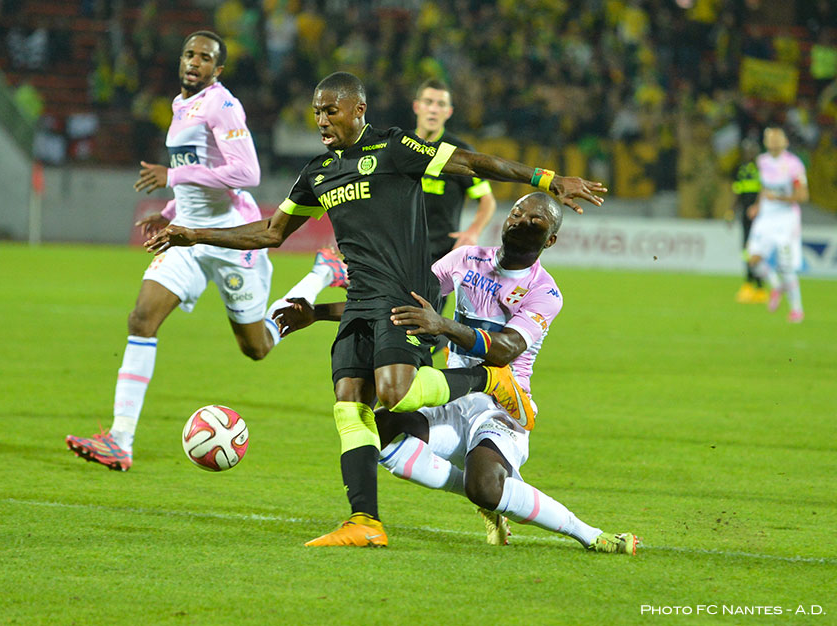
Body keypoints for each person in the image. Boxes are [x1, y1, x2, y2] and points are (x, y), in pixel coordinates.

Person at [143, 71, 606, 547]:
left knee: (395, 394)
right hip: (361, 299)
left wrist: (546, 179)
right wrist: (193, 234)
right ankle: (365, 521)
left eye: (331, 110)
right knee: (350, 403)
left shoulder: (394, 148)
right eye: (317, 112)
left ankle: (486, 378)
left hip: (401, 296)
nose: (322, 120)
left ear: (358, 110)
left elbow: (469, 162)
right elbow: (270, 232)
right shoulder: (318, 173)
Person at [65, 31, 347, 471]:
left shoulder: (222, 104)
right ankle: (120, 440)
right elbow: (197, 176)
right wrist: (169, 211)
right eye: (189, 54)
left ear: (218, 69)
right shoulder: (181, 106)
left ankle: (321, 273)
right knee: (142, 318)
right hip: (186, 237)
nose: (194, 62)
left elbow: (246, 173)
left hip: (231, 239)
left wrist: (172, 177)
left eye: (204, 57)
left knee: (256, 347)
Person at [375, 192, 638, 555]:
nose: (521, 221)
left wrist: (443, 325)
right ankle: (487, 496)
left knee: (484, 487)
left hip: (502, 407)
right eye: (516, 212)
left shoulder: (545, 292)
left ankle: (589, 534)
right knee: (378, 431)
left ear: (550, 240)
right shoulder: (465, 259)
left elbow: (505, 349)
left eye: (535, 221)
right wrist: (327, 307)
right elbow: (404, 300)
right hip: (454, 397)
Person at [412, 79, 497, 269]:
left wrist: (473, 232)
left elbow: (487, 200)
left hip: (438, 258)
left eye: (440, 104)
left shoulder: (458, 153)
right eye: (428, 102)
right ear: (416, 106)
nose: (433, 109)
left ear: (448, 112)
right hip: (399, 253)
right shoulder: (401, 145)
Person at [746, 127, 808, 323]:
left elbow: (803, 196)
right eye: (770, 139)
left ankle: (797, 309)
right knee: (753, 260)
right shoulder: (762, 161)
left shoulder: (794, 165)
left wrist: (779, 198)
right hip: (765, 217)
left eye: (776, 139)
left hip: (786, 218)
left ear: (785, 142)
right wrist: (757, 205)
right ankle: (776, 286)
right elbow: (764, 188)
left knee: (786, 266)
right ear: (766, 142)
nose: (773, 142)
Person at [732, 139, 766, 303]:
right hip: (745, 215)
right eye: (746, 150)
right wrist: (731, 210)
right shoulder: (742, 170)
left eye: (751, 150)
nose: (748, 153)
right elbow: (737, 192)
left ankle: (759, 286)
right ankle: (749, 283)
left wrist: (759, 207)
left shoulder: (762, 170)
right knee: (746, 249)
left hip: (759, 216)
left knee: (757, 249)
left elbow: (764, 192)